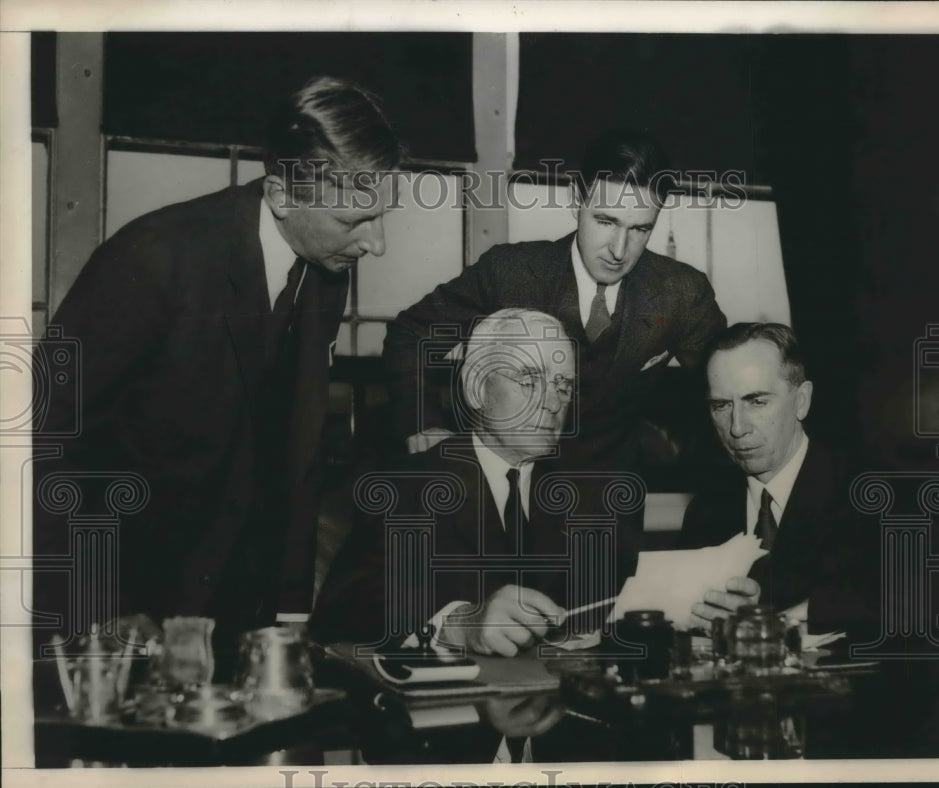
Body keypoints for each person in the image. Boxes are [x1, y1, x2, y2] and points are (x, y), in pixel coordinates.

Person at [31, 76, 403, 669]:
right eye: (355, 221)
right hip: (126, 610)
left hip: (236, 615)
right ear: (283, 195)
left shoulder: (323, 269)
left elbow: (296, 456)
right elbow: (43, 447)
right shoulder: (151, 259)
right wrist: (97, 611)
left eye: (382, 216)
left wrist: (289, 616)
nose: (376, 243)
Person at [382, 129, 726, 478]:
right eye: (606, 221)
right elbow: (409, 334)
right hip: (502, 493)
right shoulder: (509, 273)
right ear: (576, 199)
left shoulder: (681, 292)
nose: (619, 251)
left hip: (610, 500)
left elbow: (726, 382)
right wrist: (422, 422)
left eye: (640, 229)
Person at [310, 309, 643, 655]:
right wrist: (460, 624)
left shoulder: (588, 494)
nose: (552, 402)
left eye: (564, 385)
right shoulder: (406, 487)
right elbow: (342, 610)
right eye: (529, 380)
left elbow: (617, 601)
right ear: (476, 388)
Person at [679, 322, 868, 634]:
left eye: (757, 401)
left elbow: (905, 600)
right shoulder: (706, 511)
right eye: (721, 405)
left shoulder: (868, 495)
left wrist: (771, 623)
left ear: (802, 400)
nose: (737, 427)